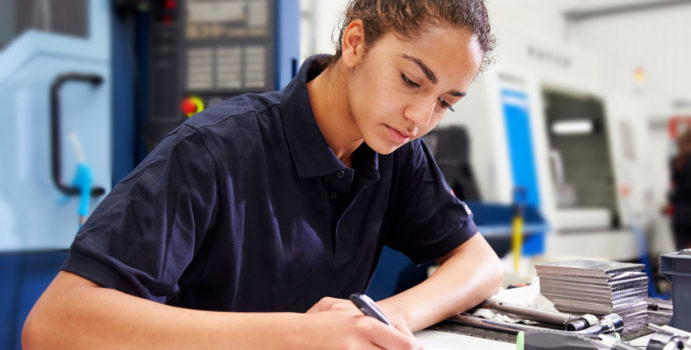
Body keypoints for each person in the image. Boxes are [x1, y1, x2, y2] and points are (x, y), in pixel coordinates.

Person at [22, 0, 503, 349]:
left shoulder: (396, 151)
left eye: (444, 103)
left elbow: (480, 263)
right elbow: (54, 323)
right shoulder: (212, 150)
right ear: (355, 43)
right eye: (410, 81)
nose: (420, 117)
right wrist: (300, 334)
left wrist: (383, 317)